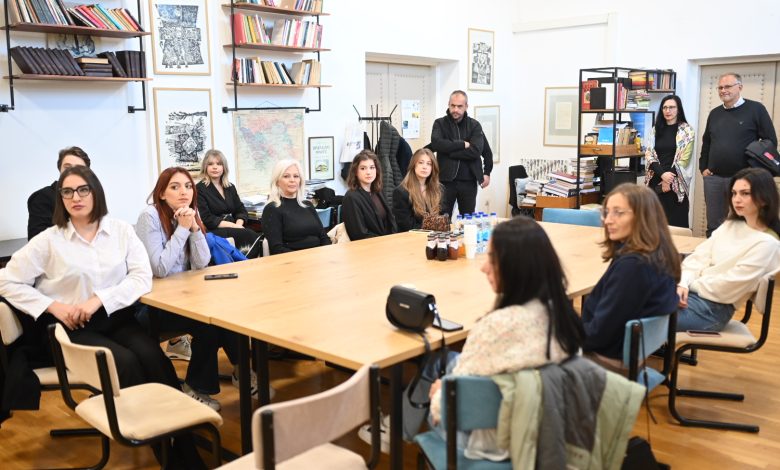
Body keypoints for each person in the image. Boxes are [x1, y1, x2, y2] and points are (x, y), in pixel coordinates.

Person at [0, 166, 206, 468]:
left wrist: (99, 299)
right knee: (126, 364)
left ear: (96, 193)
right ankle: (167, 453)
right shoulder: (49, 240)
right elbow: (6, 280)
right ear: (60, 198)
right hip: (71, 326)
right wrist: (53, 306)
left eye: (83, 189)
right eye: (67, 192)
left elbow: (141, 278)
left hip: (115, 317)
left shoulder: (120, 231)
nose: (76, 197)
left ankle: (184, 444)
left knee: (156, 359)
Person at [136, 167, 260, 411]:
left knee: (226, 313)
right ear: (161, 193)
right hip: (152, 305)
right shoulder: (149, 217)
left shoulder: (189, 213)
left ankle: (242, 372)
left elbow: (201, 262)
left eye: (188, 186)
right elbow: (159, 268)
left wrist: (194, 228)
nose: (184, 192)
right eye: (175, 187)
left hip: (187, 297)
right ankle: (196, 388)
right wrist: (182, 229)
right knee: (208, 325)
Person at [582, 184, 680, 371]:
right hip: (628, 357)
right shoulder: (659, 252)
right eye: (606, 212)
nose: (608, 220)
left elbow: (600, 334)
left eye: (618, 213)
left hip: (606, 364)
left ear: (643, 216)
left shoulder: (634, 267)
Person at [677, 168, 780, 332]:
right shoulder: (730, 225)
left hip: (711, 310)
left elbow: (727, 287)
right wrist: (682, 283)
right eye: (734, 193)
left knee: (642, 315)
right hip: (688, 293)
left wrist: (690, 284)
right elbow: (698, 258)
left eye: (745, 193)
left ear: (764, 198)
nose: (737, 199)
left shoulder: (768, 243)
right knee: (636, 302)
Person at [700, 73, 777, 237]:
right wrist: (703, 167)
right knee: (714, 225)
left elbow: (770, 141)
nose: (723, 90)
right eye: (720, 87)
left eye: (727, 86)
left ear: (740, 87)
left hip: (743, 179)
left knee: (743, 224)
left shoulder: (756, 109)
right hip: (714, 178)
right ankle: (714, 252)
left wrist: (754, 170)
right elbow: (706, 142)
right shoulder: (714, 113)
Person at [428, 90, 492, 217]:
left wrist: (487, 172)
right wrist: (462, 144)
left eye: (459, 106)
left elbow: (478, 151)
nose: (455, 110)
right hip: (445, 181)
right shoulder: (439, 124)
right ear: (448, 104)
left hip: (469, 181)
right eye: (453, 106)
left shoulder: (474, 125)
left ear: (466, 106)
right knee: (442, 219)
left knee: (468, 221)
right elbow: (437, 144)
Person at [196, 149, 262, 257]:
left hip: (234, 226)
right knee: (250, 234)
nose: (215, 167)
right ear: (205, 167)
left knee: (259, 234)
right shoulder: (200, 188)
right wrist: (234, 226)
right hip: (215, 229)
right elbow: (207, 218)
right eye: (210, 164)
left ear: (224, 167)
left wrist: (238, 225)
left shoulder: (230, 187)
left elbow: (241, 210)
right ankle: (244, 261)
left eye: (219, 164)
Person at [644, 95, 696, 227]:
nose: (668, 111)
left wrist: (668, 180)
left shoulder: (687, 131)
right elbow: (649, 154)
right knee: (654, 224)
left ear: (678, 109)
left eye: (672, 107)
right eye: (665, 107)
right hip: (656, 179)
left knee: (676, 223)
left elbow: (684, 159)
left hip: (676, 182)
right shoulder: (655, 130)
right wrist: (662, 175)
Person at [261, 159, 331, 254]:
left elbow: (324, 237)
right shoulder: (272, 209)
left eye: (296, 176)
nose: (292, 180)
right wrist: (306, 257)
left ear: (300, 180)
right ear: (277, 181)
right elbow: (277, 249)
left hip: (319, 257)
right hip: (293, 260)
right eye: (286, 176)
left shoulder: (308, 205)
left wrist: (327, 253)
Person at [27, 146, 91, 241]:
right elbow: (37, 241)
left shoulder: (91, 196)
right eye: (67, 167)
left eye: (79, 168)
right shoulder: (41, 197)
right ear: (59, 169)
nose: (72, 172)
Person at [342, 150, 397, 240]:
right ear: (355, 172)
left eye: (372, 167)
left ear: (377, 170)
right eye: (363, 168)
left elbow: (390, 220)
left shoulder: (378, 191)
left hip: (388, 242)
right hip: (369, 245)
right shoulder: (351, 197)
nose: (368, 172)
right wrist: (384, 241)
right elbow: (359, 234)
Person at [392, 148, 443, 232]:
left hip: (435, 236)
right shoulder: (401, 192)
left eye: (429, 164)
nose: (424, 167)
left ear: (433, 168)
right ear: (413, 165)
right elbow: (407, 225)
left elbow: (444, 217)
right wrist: (434, 227)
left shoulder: (439, 189)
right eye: (421, 162)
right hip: (411, 237)